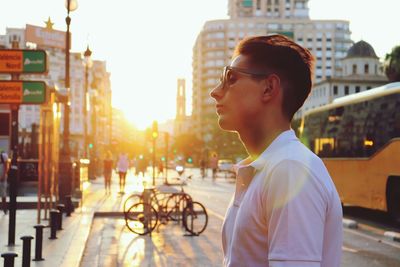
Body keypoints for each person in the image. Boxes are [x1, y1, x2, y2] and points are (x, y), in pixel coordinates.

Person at [210, 35, 342, 267]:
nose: (215, 91)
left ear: (269, 88)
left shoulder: (289, 169)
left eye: (230, 78)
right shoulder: (267, 168)